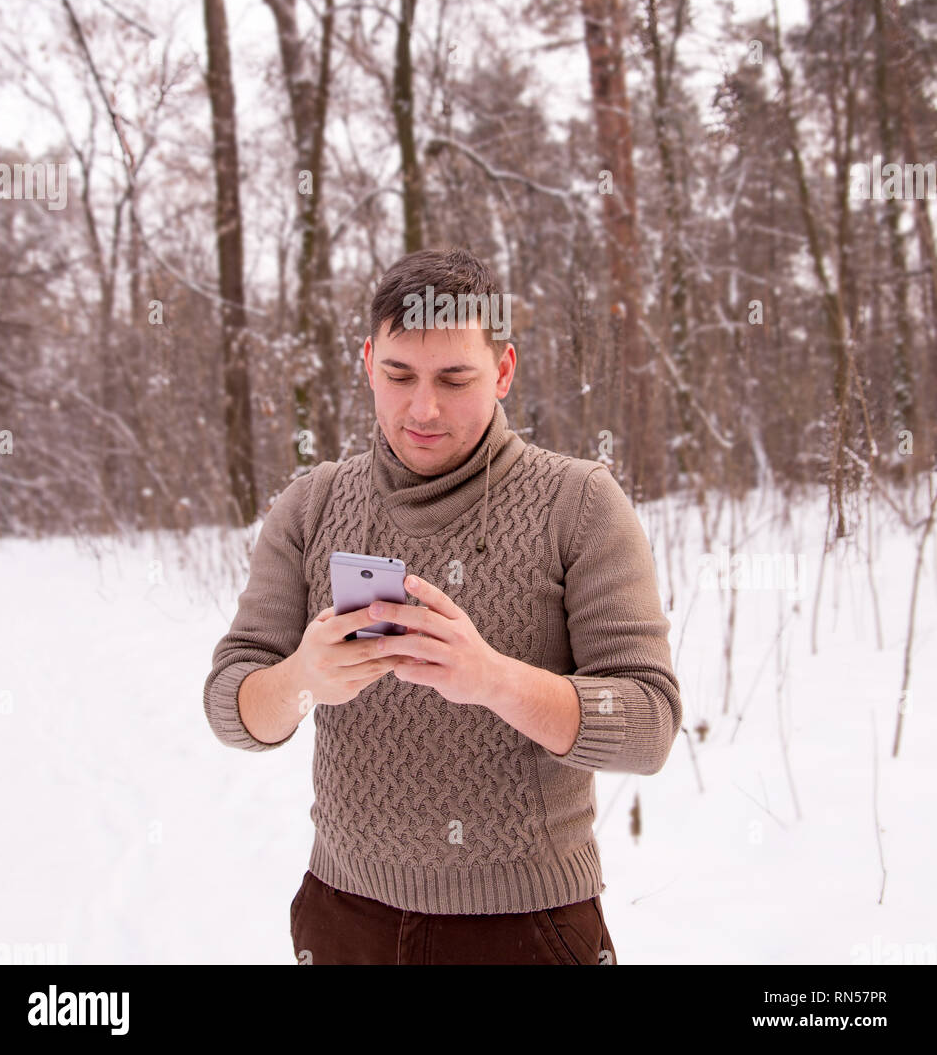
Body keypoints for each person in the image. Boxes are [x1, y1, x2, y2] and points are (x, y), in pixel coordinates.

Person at [203, 246, 682, 964]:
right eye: (399, 375)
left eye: (455, 379)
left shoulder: (578, 504)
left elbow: (648, 726)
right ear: (368, 362)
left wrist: (494, 680)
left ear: (503, 371)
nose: (422, 408)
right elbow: (229, 706)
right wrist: (301, 677)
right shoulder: (312, 505)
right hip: (342, 919)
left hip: (526, 926)